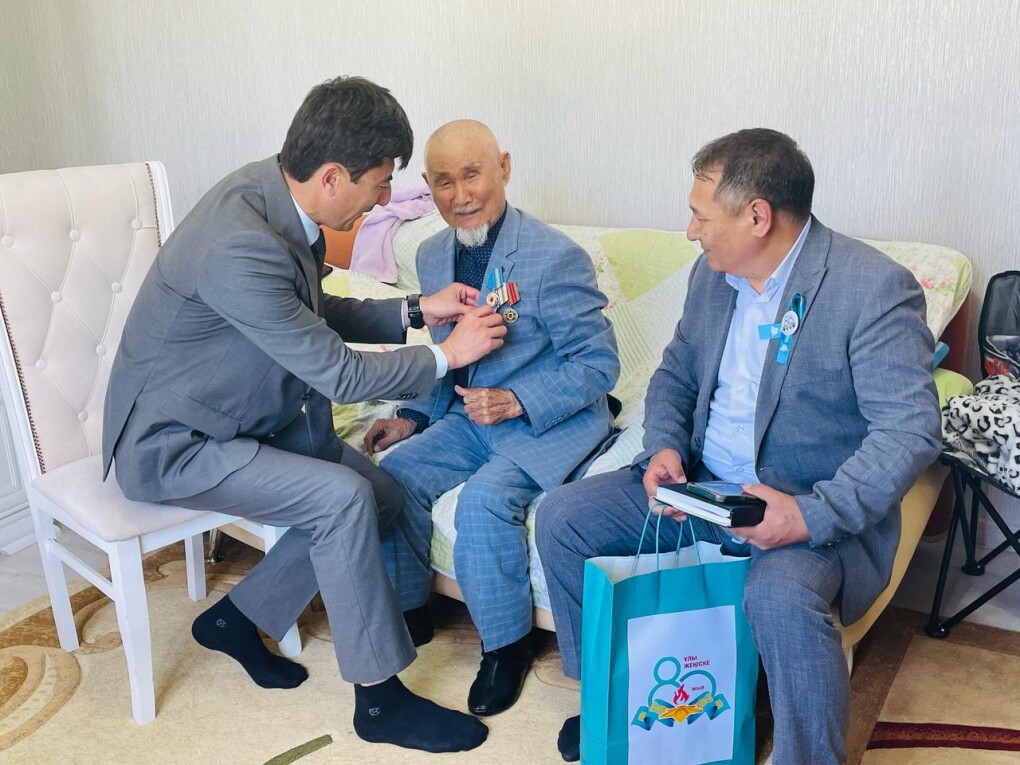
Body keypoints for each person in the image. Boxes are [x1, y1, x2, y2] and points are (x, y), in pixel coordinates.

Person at [102, 76, 507, 754]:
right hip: (175, 442)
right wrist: (447, 354)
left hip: (241, 410)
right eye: (380, 183)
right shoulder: (238, 245)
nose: (386, 199)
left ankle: (236, 619)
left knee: (382, 495)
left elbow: (308, 309)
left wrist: (416, 308)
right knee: (342, 500)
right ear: (332, 176)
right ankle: (379, 702)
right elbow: (340, 373)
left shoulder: (273, 194)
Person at [535, 128, 942, 763]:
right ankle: (613, 699)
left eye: (700, 216)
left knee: (779, 595)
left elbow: (910, 430)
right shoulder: (712, 276)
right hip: (701, 489)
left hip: (806, 509)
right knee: (564, 517)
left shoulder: (871, 288)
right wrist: (665, 448)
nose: (690, 232)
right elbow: (675, 373)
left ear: (757, 216)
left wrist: (807, 515)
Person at [363, 120, 620, 717]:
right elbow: (448, 355)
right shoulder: (431, 254)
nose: (461, 195)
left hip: (546, 422)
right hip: (471, 417)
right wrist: (412, 416)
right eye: (443, 182)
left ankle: (506, 648)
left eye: (472, 174)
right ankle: (411, 612)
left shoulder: (554, 256)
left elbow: (599, 365)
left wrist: (518, 400)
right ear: (427, 185)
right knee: (393, 476)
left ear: (503, 167)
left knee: (482, 502)